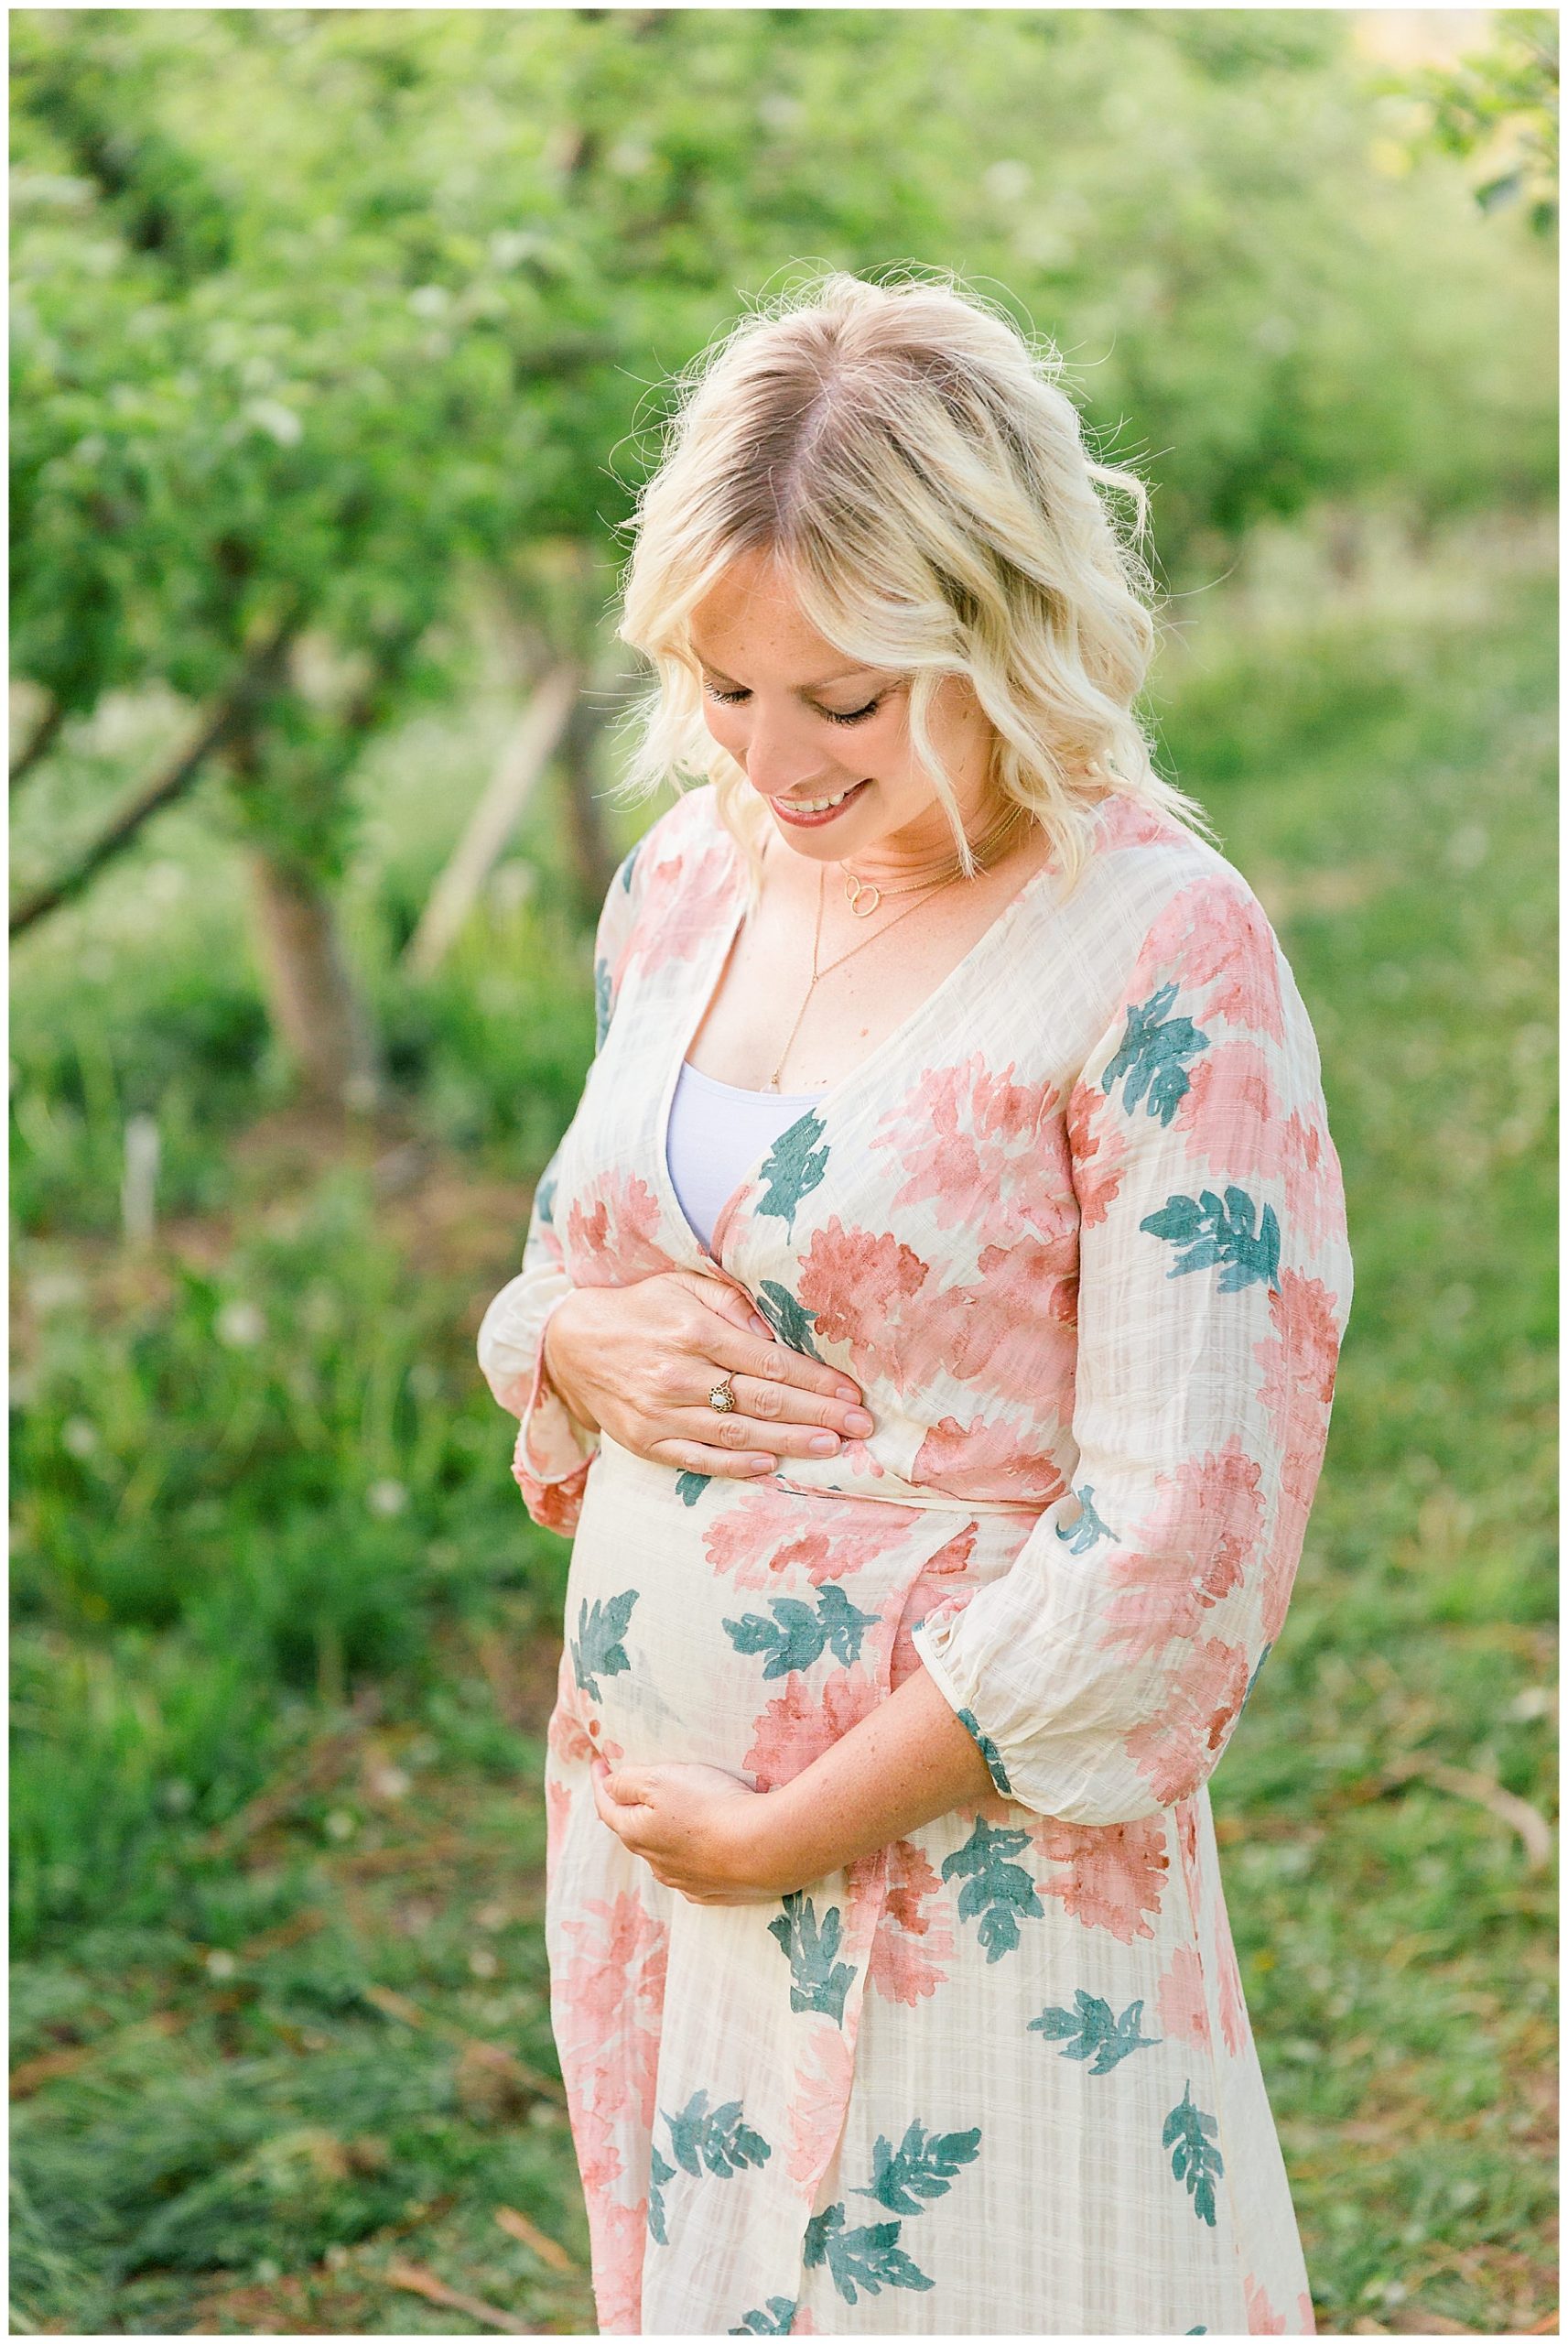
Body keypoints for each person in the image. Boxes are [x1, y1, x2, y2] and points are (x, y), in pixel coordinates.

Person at [477, 271, 1352, 2338]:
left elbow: (1179, 1539)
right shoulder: (680, 883)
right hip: (658, 1851)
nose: (769, 757)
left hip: (962, 1876)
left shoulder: (1156, 956)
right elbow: (592, 1254)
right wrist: (550, 1340)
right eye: (721, 685)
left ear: (1003, 632)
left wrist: (790, 1822)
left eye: (842, 703)